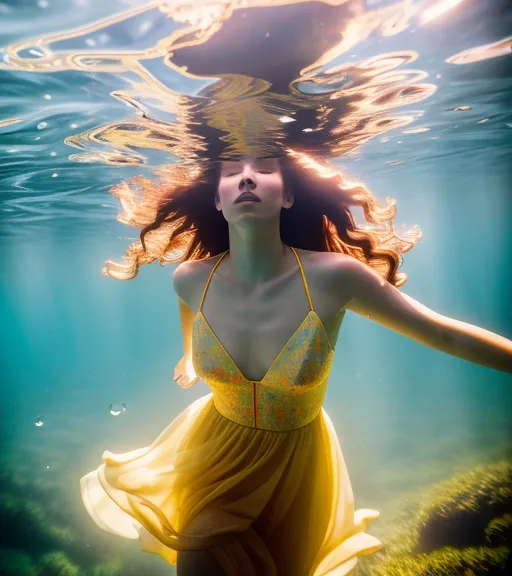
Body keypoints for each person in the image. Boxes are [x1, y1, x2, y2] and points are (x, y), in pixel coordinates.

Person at [80, 150, 512, 576]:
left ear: (287, 197)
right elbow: (189, 313)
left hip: (298, 470)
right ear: (217, 199)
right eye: (232, 173)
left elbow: (443, 333)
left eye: (264, 170)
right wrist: (189, 356)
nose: (246, 178)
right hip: (214, 454)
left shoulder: (335, 277)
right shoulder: (190, 279)